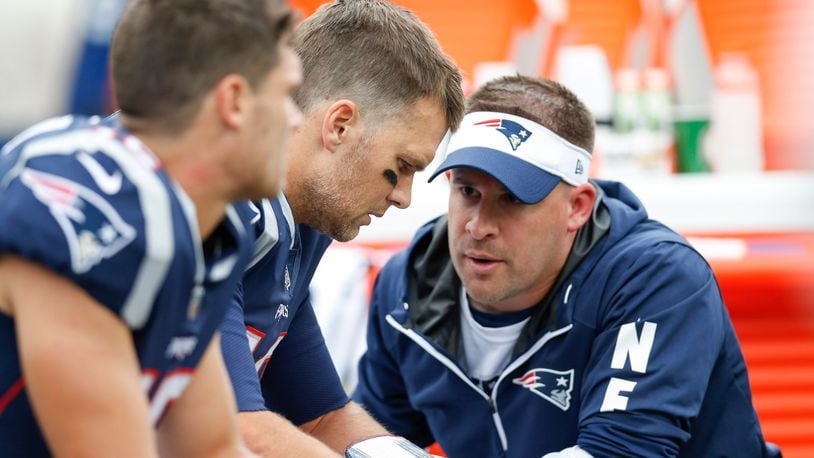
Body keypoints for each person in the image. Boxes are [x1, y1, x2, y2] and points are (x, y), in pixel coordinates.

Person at [353, 75, 770, 457]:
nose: (478, 227)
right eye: (467, 191)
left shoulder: (655, 278)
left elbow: (619, 452)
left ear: (578, 207)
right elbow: (369, 437)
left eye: (512, 200)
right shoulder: (409, 284)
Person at [0, 0, 301, 455]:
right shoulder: (102, 207)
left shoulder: (206, 227)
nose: (296, 120)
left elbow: (212, 447)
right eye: (285, 95)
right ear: (234, 101)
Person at [218, 0, 464, 456]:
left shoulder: (303, 215)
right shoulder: (215, 195)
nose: (403, 197)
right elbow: (230, 430)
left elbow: (321, 415)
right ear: (341, 125)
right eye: (402, 166)